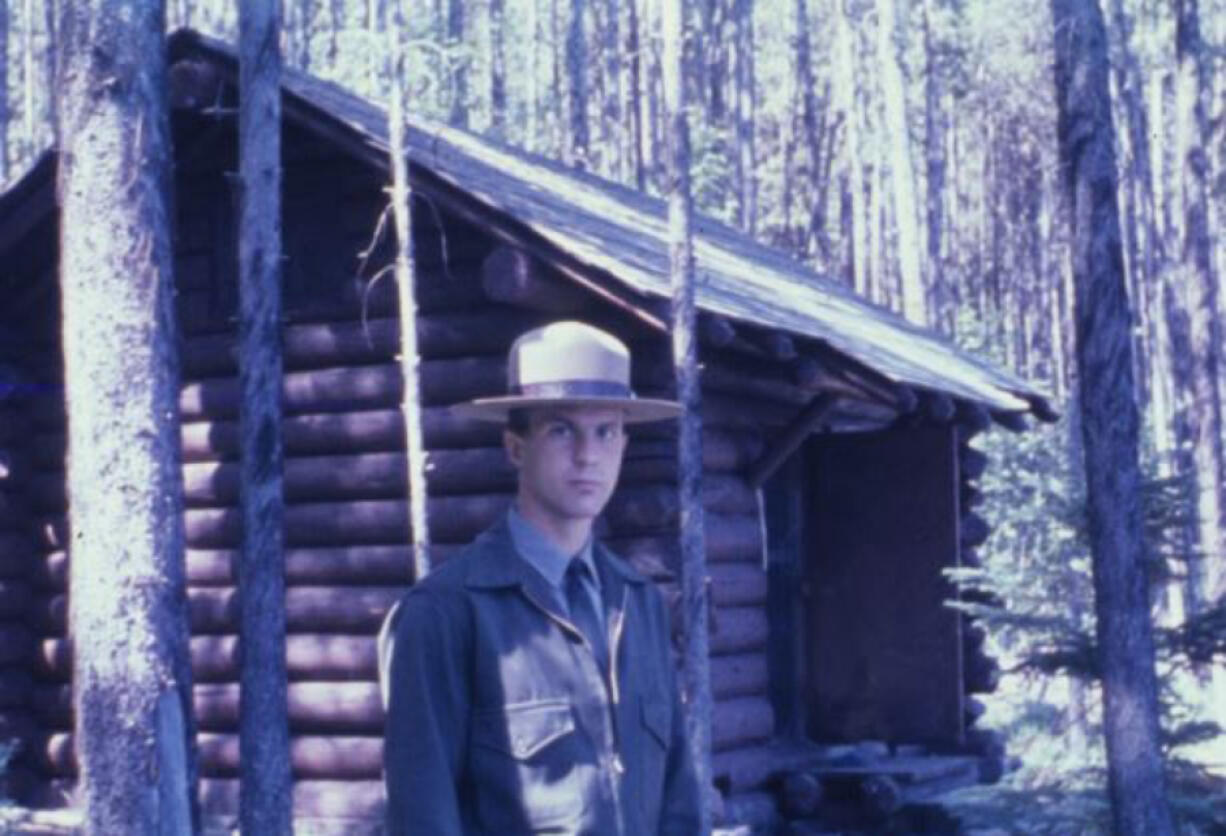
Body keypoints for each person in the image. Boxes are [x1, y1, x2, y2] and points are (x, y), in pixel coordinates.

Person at [382, 320, 702, 835]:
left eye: (606, 431)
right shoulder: (446, 613)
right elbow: (422, 817)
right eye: (561, 429)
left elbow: (679, 800)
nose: (588, 455)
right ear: (515, 447)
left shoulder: (636, 603)